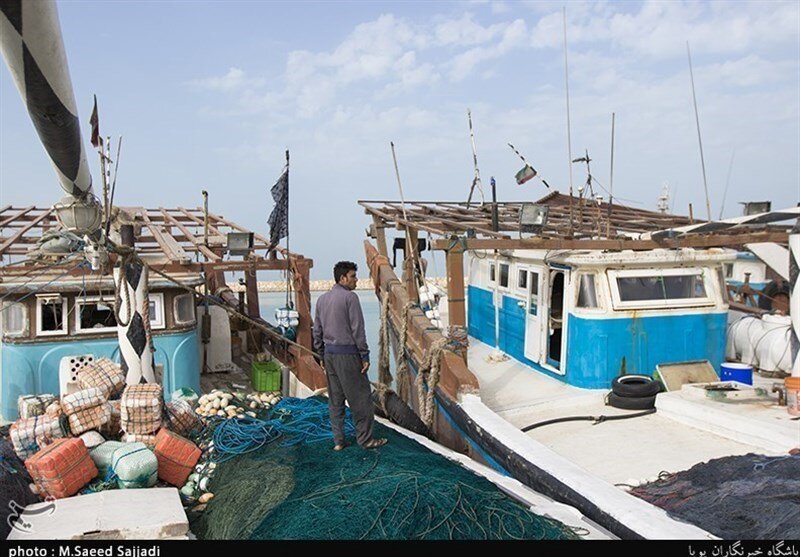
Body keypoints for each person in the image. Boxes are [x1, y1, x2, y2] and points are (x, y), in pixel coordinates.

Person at [313, 261, 387, 451]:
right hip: (348, 355)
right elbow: (358, 330)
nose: (356, 280)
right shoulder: (350, 298)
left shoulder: (321, 300)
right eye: (353, 276)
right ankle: (365, 440)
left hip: (329, 355)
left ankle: (339, 441)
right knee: (361, 399)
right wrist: (365, 355)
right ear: (342, 278)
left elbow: (317, 332)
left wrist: (321, 355)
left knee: (335, 400)